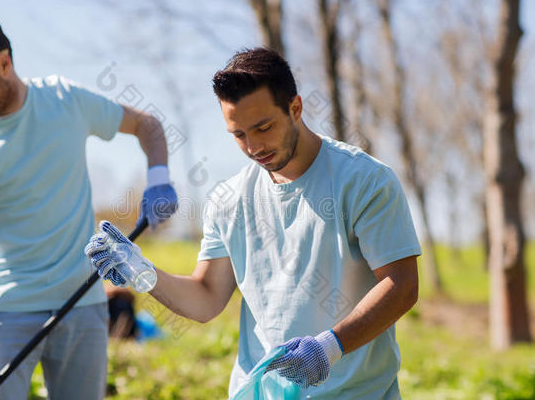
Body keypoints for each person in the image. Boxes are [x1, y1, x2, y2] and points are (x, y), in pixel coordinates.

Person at [87, 47, 420, 399]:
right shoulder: (229, 200)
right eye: (238, 134)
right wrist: (143, 272)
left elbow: (402, 286)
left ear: (295, 108)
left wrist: (330, 347)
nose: (253, 146)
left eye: (263, 127)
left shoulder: (363, 180)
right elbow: (206, 299)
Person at [0, 15, 177, 400]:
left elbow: (146, 125)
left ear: (5, 64)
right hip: (4, 309)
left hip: (83, 299)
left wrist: (159, 175)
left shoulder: (65, 101)